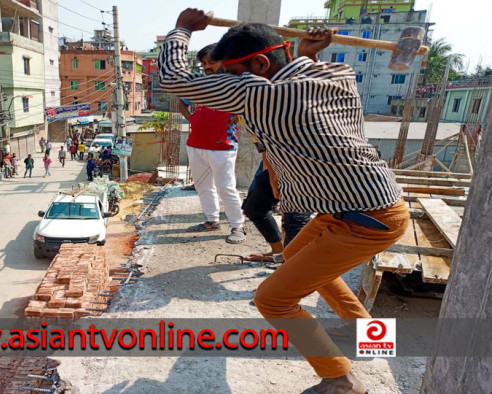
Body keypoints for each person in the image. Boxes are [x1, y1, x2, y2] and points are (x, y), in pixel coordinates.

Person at [159, 10, 410, 393]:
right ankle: (372, 335)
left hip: (364, 220)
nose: (224, 81)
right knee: (295, 257)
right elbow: (295, 70)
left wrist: (183, 29)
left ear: (259, 64)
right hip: (364, 206)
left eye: (229, 72)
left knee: (272, 299)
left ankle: (340, 379)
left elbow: (172, 78)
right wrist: (305, 53)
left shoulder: (258, 93)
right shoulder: (335, 75)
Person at [177, 44, 245, 244]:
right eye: (204, 62)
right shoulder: (200, 85)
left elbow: (251, 105)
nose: (206, 66)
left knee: (226, 188)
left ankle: (238, 226)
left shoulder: (236, 84)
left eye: (211, 62)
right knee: (203, 186)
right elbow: (182, 102)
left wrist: (238, 117)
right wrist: (192, 119)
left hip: (223, 146)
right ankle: (211, 220)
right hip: (195, 144)